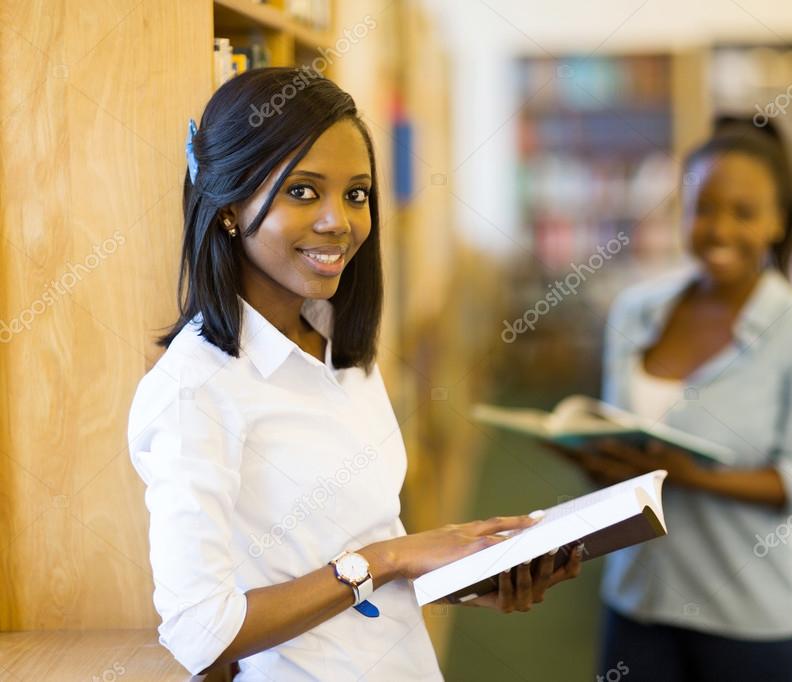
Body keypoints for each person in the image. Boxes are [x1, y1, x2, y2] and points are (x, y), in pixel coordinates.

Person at [126, 67, 582, 681]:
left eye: (357, 194)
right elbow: (200, 633)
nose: (338, 221)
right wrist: (392, 557)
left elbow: (351, 571)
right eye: (304, 191)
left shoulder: (344, 350)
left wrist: (461, 574)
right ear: (229, 204)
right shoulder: (195, 392)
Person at [564, 116, 792, 681]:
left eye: (743, 212)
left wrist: (685, 475)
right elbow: (617, 449)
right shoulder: (636, 312)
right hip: (638, 601)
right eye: (702, 209)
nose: (719, 228)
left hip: (751, 619)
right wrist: (588, 457)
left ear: (779, 221)